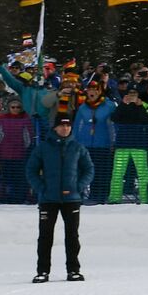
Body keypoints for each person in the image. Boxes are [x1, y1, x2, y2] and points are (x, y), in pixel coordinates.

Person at [25, 114, 95, 282]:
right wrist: (41, 188)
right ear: (55, 127)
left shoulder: (78, 147)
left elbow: (89, 169)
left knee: (72, 235)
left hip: (72, 199)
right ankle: (42, 271)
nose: (65, 129)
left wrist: (78, 186)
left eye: (68, 126)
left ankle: (73, 270)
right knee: (45, 236)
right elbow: (31, 170)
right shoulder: (43, 148)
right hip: (48, 199)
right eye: (62, 126)